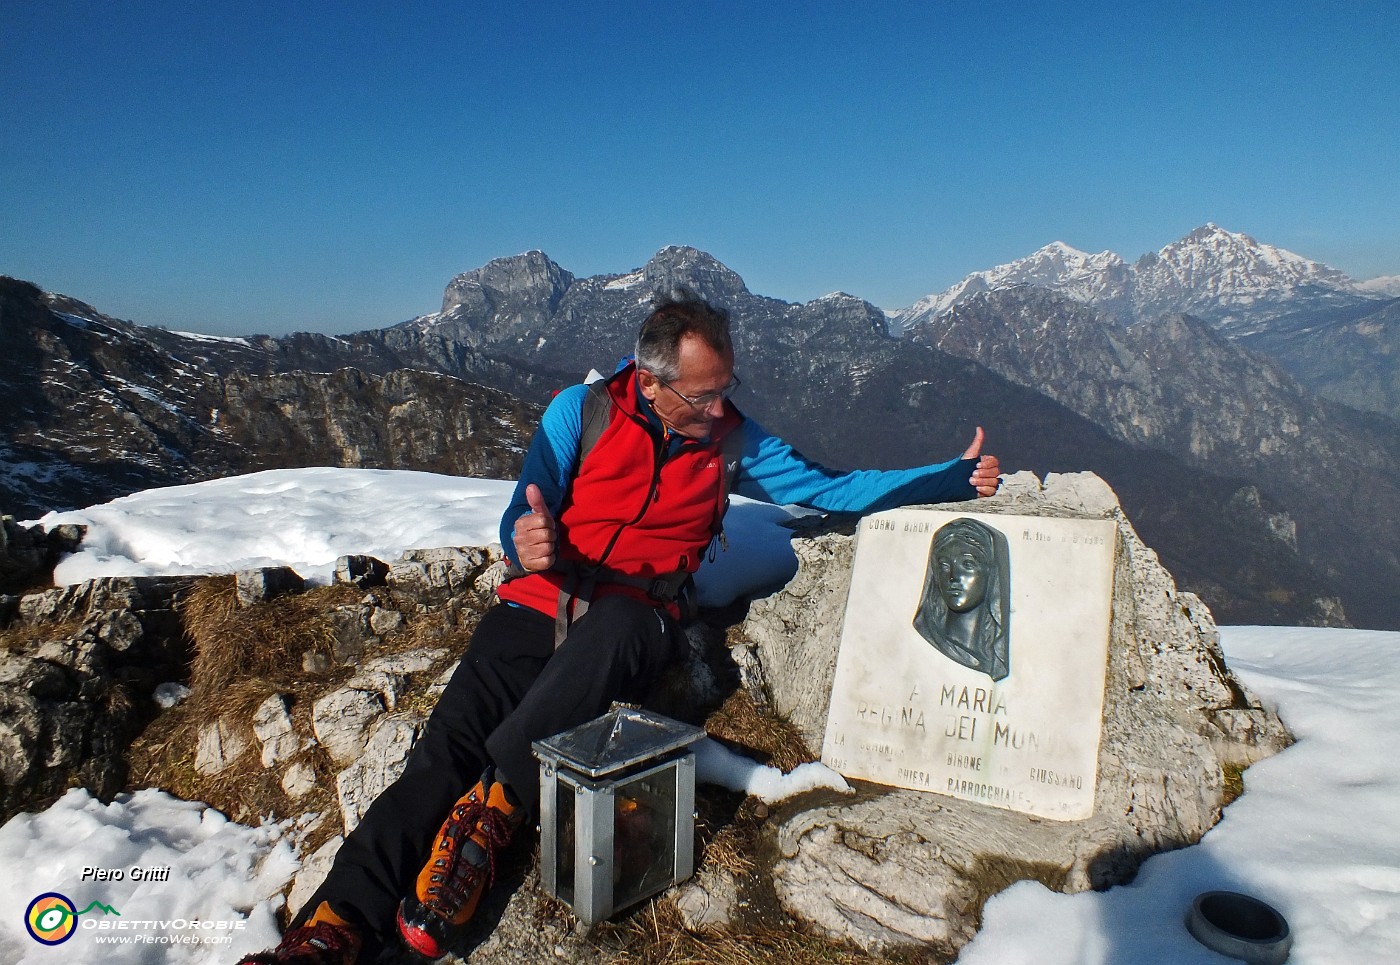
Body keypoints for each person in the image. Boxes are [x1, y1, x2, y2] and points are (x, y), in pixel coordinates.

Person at [239, 292, 1001, 964]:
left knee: (626, 624)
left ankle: (495, 807)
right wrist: (524, 543)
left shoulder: (731, 439)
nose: (719, 409)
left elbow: (834, 487)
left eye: (726, 389)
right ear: (653, 380)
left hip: (637, 617)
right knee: (440, 754)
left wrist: (948, 477)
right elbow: (523, 510)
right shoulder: (582, 411)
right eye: (703, 395)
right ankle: (331, 927)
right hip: (539, 600)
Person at [912, 516, 1011, 680]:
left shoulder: (990, 652)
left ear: (990, 573)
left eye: (967, 564)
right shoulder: (929, 631)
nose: (953, 577)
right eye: (944, 565)